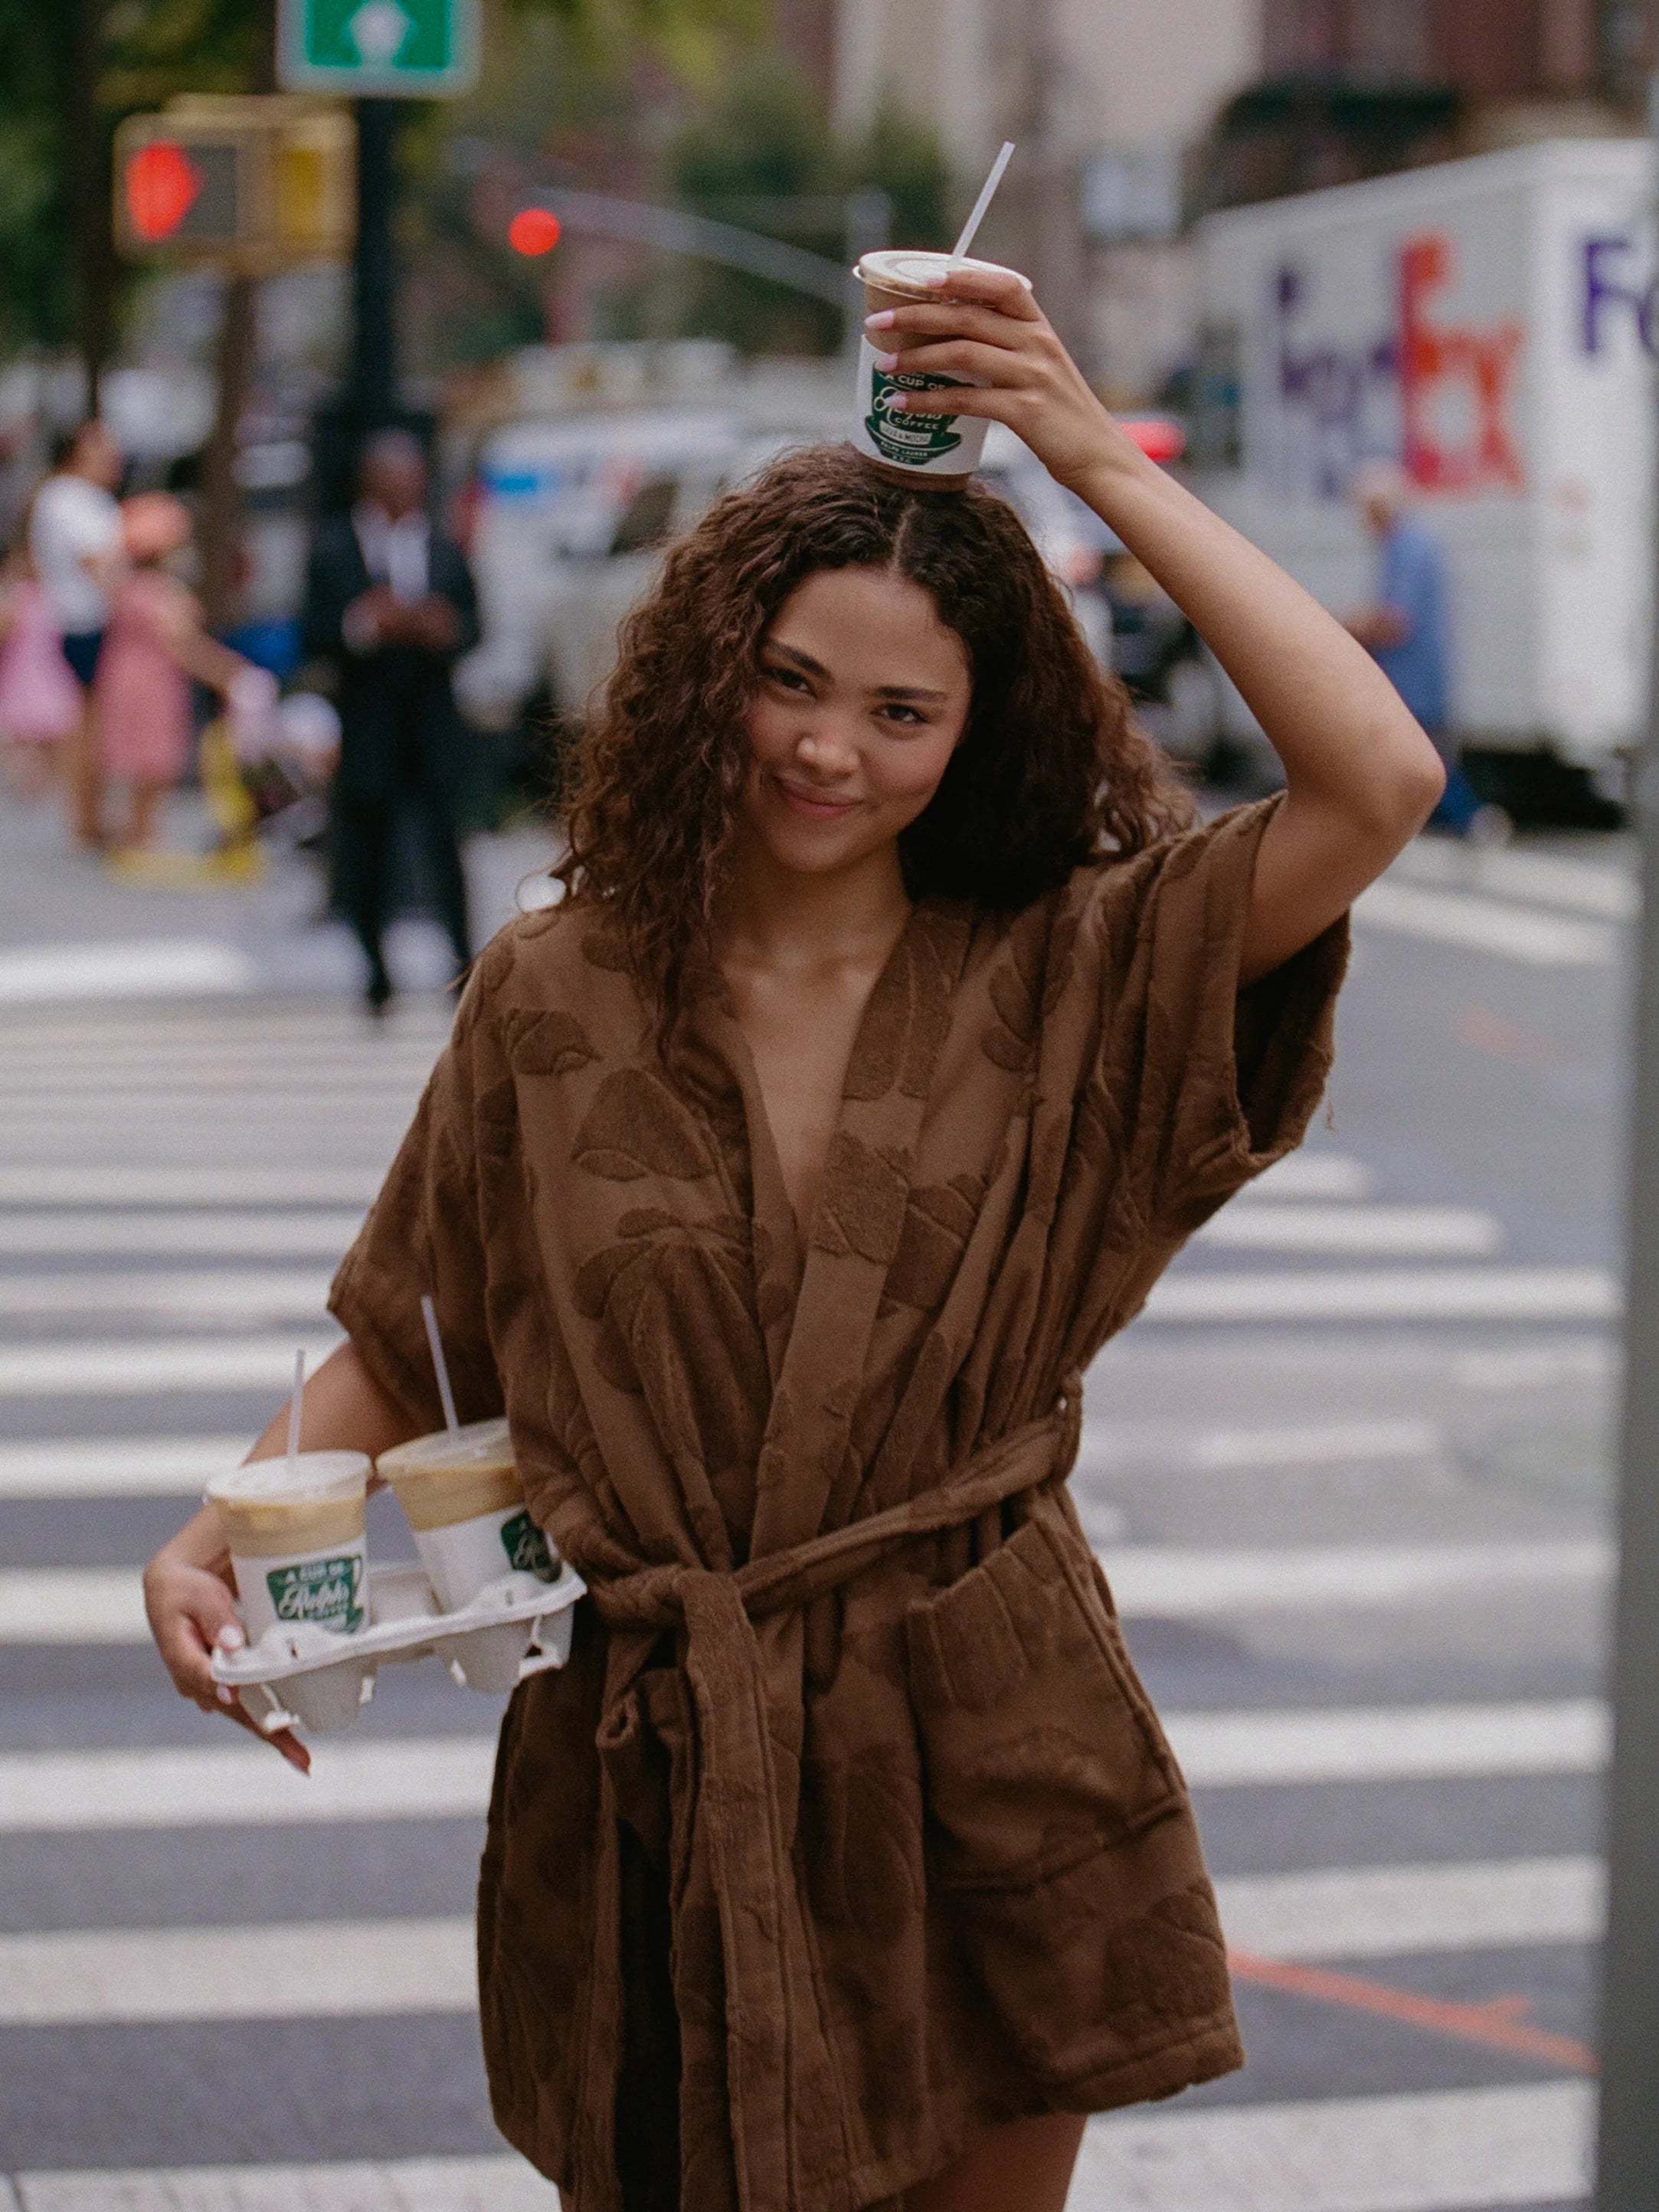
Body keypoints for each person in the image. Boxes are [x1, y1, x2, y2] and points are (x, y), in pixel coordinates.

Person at [142, 266, 1443, 2212]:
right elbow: (426, 1323)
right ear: (708, 670)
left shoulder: (1071, 966)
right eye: (792, 681)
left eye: (901, 709)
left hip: (978, 1738)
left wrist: (1084, 453)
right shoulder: (557, 989)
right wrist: (226, 1518)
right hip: (656, 1763)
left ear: (976, 729)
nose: (829, 748)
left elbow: (1380, 777)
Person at [301, 428, 480, 1015]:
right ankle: (375, 970)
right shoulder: (332, 548)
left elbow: (476, 626)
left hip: (430, 722)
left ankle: (461, 963)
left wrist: (440, 629)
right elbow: (313, 632)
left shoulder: (446, 547)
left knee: (444, 847)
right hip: (369, 722)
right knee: (367, 851)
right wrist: (365, 624)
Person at [93, 494, 263, 857]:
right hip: (151, 686)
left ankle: (137, 830)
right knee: (154, 761)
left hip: (126, 679)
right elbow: (182, 645)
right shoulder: (159, 594)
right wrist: (226, 672)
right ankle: (141, 833)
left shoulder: (128, 588)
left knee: (142, 761)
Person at [1345, 460, 1505, 843]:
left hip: (1413, 676)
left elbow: (1396, 621)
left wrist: (1351, 627)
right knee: (1420, 754)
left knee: (1424, 756)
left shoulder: (1408, 549)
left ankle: (1472, 820)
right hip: (1414, 674)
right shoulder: (1409, 546)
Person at [28, 419, 124, 849]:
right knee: (87, 724)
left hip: (86, 618)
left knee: (91, 723)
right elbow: (94, 563)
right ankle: (86, 819)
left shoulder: (84, 498)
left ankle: (91, 816)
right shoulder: (67, 497)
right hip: (82, 620)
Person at [0, 529, 82, 798]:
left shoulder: (49, 594)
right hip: (21, 666)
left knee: (53, 723)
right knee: (20, 726)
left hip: (48, 665)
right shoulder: (13, 595)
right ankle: (26, 776)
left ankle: (45, 777)